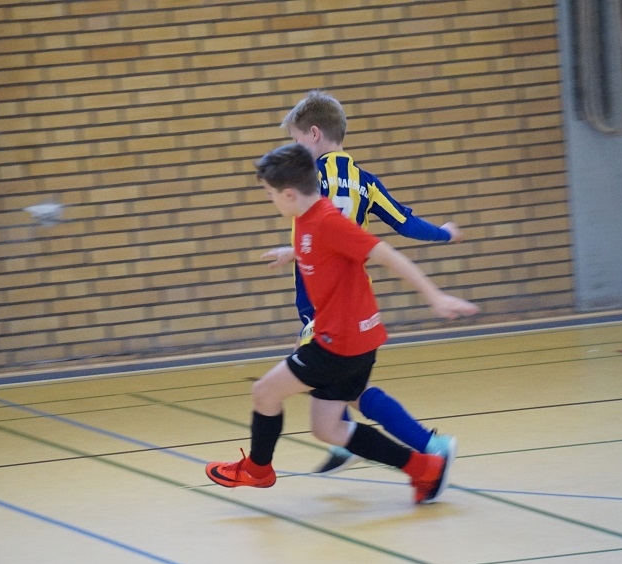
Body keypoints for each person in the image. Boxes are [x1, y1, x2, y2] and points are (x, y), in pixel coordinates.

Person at [205, 143, 479, 504]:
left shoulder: (326, 220)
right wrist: (294, 252)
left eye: (270, 194)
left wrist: (435, 297)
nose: (270, 200)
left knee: (265, 393)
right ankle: (424, 468)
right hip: (356, 340)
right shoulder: (307, 221)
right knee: (328, 428)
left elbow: (386, 254)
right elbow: (323, 249)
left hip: (340, 342)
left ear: (289, 193)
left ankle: (258, 470)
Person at [261, 90, 463, 474]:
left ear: (314, 134)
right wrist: (444, 233)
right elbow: (405, 224)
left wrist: (298, 249)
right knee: (343, 388)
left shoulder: (309, 179)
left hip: (324, 304)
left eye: (296, 140)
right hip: (352, 297)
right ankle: (357, 440)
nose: (295, 149)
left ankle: (422, 446)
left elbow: (324, 227)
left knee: (320, 384)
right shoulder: (365, 182)